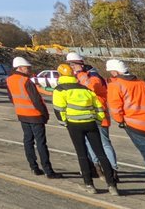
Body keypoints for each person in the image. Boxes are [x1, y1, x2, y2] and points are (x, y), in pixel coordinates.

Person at [53, 63, 119, 195]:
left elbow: (59, 109)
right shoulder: (85, 89)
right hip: (91, 123)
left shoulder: (60, 90)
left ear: (60, 75)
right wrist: (99, 120)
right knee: (101, 153)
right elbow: (98, 107)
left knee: (82, 154)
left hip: (74, 125)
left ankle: (89, 184)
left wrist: (64, 123)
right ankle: (112, 185)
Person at [66, 51, 118, 179]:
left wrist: (80, 77)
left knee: (104, 143)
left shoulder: (93, 76)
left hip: (99, 114)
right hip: (88, 115)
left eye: (73, 65)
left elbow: (90, 90)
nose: (72, 68)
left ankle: (113, 170)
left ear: (80, 64)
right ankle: (98, 168)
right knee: (90, 143)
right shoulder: (81, 75)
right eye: (70, 65)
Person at [106, 59, 145, 197]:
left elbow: (115, 108)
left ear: (115, 72)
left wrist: (121, 121)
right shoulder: (143, 83)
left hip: (136, 126)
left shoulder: (116, 85)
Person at [6, 56, 60, 178]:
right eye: (27, 68)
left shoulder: (9, 80)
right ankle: (48, 170)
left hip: (22, 115)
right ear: (19, 68)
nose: (29, 69)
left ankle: (33, 167)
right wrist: (45, 114)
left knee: (28, 141)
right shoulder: (26, 81)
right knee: (41, 143)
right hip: (35, 115)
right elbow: (36, 100)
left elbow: (11, 97)